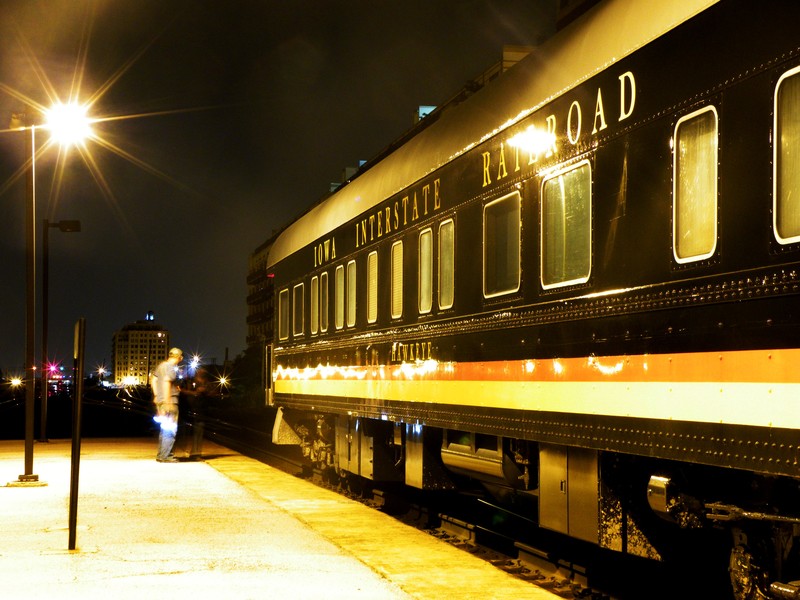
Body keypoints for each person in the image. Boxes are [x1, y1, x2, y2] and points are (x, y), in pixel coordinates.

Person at [151, 347, 183, 462]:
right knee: (170, 429)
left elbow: (153, 380)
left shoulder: (161, 366)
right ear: (180, 357)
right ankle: (166, 456)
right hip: (169, 402)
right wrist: (167, 401)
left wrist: (156, 396)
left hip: (160, 401)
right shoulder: (170, 368)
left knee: (164, 429)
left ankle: (161, 455)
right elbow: (166, 382)